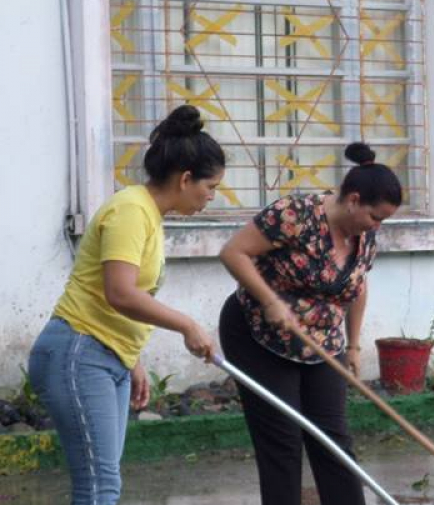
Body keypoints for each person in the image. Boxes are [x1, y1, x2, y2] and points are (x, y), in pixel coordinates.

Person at [28, 105, 224, 505]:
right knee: (100, 486)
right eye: (212, 186)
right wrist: (186, 323)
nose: (212, 196)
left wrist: (131, 358)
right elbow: (120, 292)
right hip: (80, 351)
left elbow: (123, 298)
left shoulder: (147, 215)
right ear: (186, 179)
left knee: (102, 480)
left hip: (106, 354)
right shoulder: (131, 210)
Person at [218, 142, 402, 505]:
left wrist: (352, 346)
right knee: (283, 438)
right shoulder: (295, 214)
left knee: (332, 438)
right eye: (375, 216)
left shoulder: (364, 238)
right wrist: (271, 301)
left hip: (322, 344)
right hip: (258, 336)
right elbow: (233, 252)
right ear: (352, 200)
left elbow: (357, 286)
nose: (377, 225)